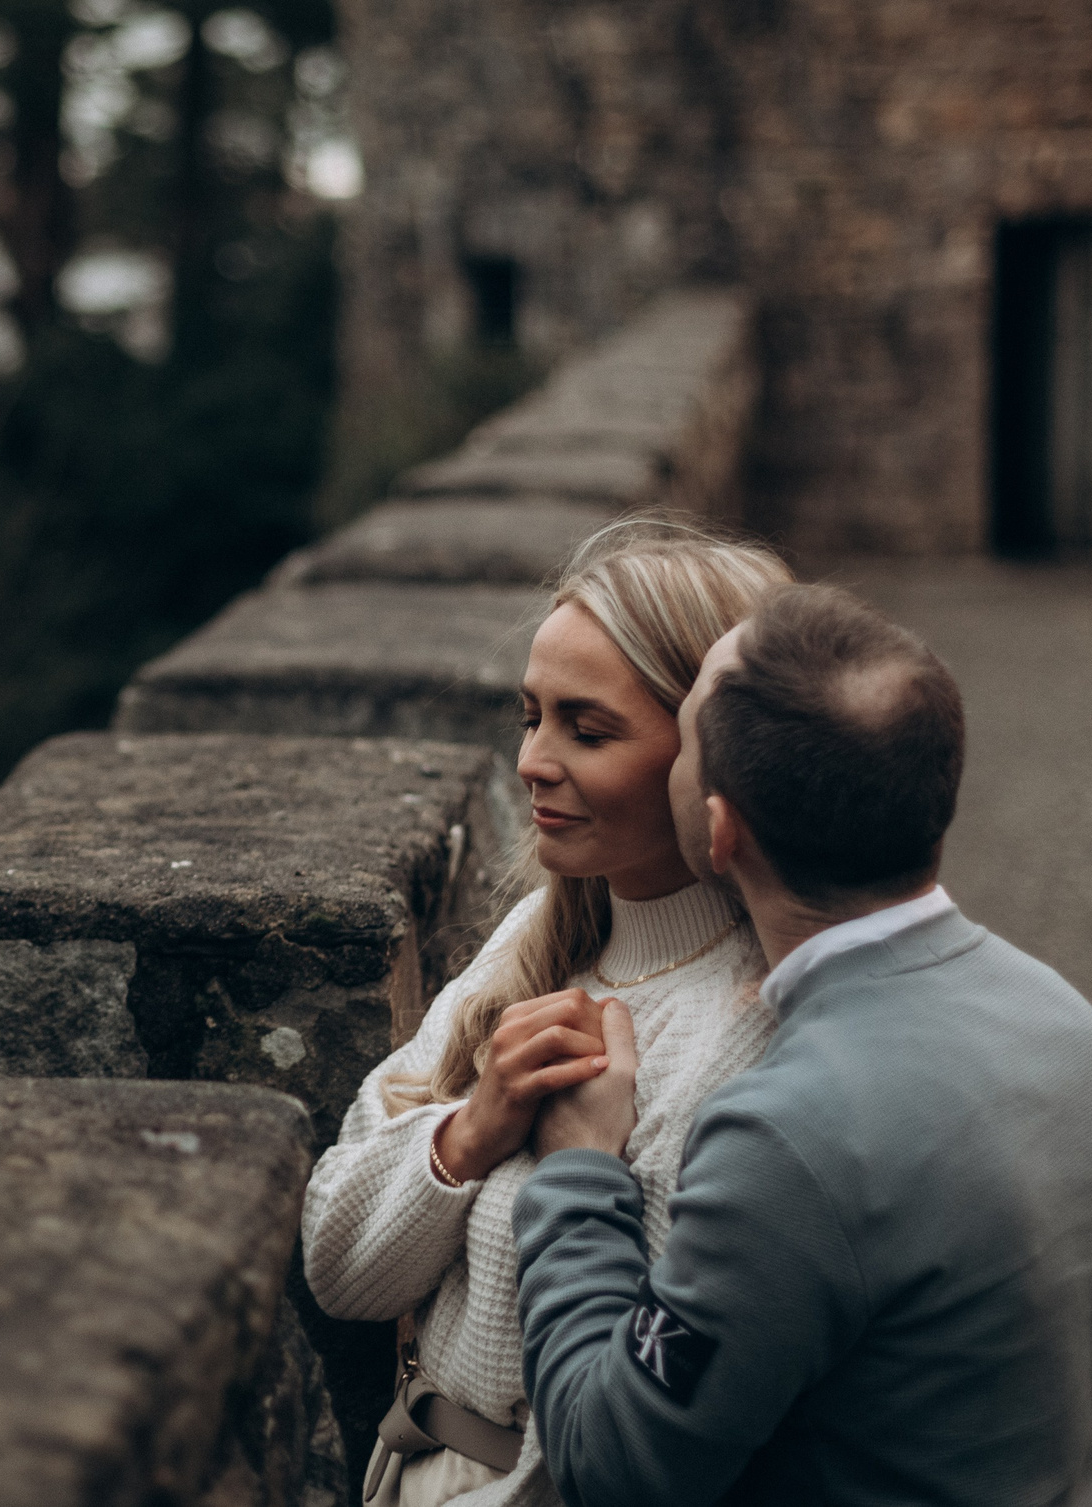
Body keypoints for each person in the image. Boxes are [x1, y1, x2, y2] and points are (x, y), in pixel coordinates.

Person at [514, 583, 1092, 1506]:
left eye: (686, 742)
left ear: (723, 826)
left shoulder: (788, 1137)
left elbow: (613, 1465)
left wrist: (576, 1172)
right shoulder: (1067, 1022)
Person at [301, 513, 793, 1507]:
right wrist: (468, 1133)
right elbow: (336, 1265)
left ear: (710, 755)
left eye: (587, 728)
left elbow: (651, 1410)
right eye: (531, 716)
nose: (529, 760)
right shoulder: (531, 940)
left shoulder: (748, 1030)